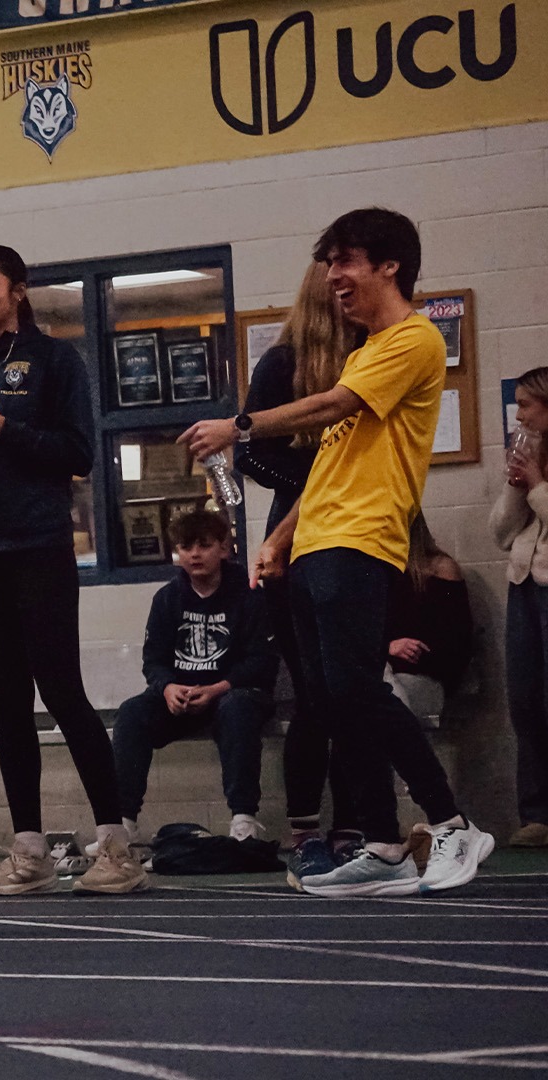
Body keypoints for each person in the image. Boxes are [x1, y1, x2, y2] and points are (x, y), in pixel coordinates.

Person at [182, 207, 492, 897]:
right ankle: (382, 844)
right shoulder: (366, 348)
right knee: (332, 699)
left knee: (355, 689)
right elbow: (330, 459)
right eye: (330, 263)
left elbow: (330, 407)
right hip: (319, 540)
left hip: (362, 538)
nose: (334, 277)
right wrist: (279, 539)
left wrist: (239, 425)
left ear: (389, 265)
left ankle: (451, 822)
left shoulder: (412, 341)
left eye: (346, 260)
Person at [0, 245, 147, 897]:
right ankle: (29, 852)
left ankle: (116, 845)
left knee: (62, 692)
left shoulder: (56, 360)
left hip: (40, 548)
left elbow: (77, 454)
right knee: (8, 703)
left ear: (17, 290)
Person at [234, 263, 363, 883]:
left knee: (353, 691)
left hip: (362, 525)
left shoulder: (372, 354)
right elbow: (251, 450)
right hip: (296, 525)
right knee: (312, 696)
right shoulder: (282, 362)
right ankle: (308, 829)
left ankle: (360, 826)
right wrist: (315, 484)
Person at [111, 511, 276, 841]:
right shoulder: (167, 598)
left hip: (234, 693)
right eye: (186, 547)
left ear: (224, 549)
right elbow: (153, 661)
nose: (195, 554)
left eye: (205, 545)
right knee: (131, 713)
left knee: (238, 708)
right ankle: (121, 825)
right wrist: (168, 687)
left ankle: (244, 819)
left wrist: (217, 688)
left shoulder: (249, 595)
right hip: (181, 697)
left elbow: (262, 660)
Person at [491, 370, 548, 848]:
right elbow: (502, 531)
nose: (521, 415)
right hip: (524, 582)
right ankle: (536, 813)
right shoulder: (531, 459)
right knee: (526, 700)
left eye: (528, 405)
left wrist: (536, 486)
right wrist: (517, 483)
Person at [383, 514, 470, 721]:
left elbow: (456, 644)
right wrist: (387, 648)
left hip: (425, 679)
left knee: (376, 693)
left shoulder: (440, 570)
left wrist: (386, 651)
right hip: (386, 675)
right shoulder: (377, 573)